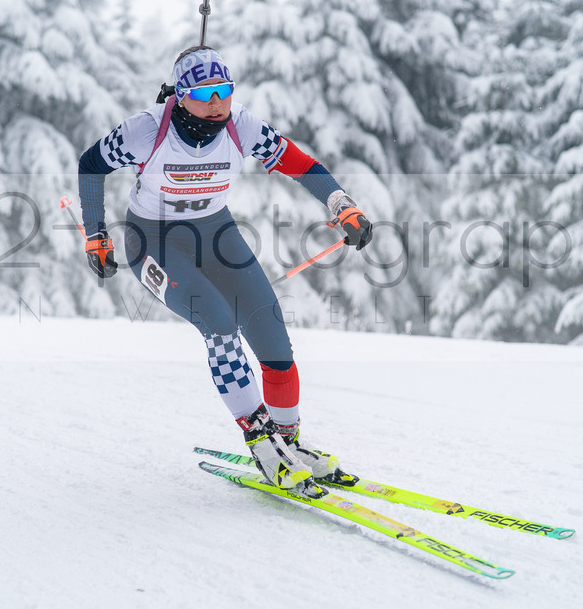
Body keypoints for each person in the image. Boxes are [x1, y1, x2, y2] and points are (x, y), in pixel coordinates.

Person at [78, 46, 373, 493]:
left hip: (216, 233)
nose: (217, 102)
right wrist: (96, 233)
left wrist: (341, 204)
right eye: (205, 93)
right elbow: (90, 164)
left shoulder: (242, 127)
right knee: (218, 323)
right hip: (153, 242)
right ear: (180, 95)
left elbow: (301, 163)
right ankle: (260, 438)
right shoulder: (147, 130)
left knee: (272, 333)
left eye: (225, 91)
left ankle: (288, 442)